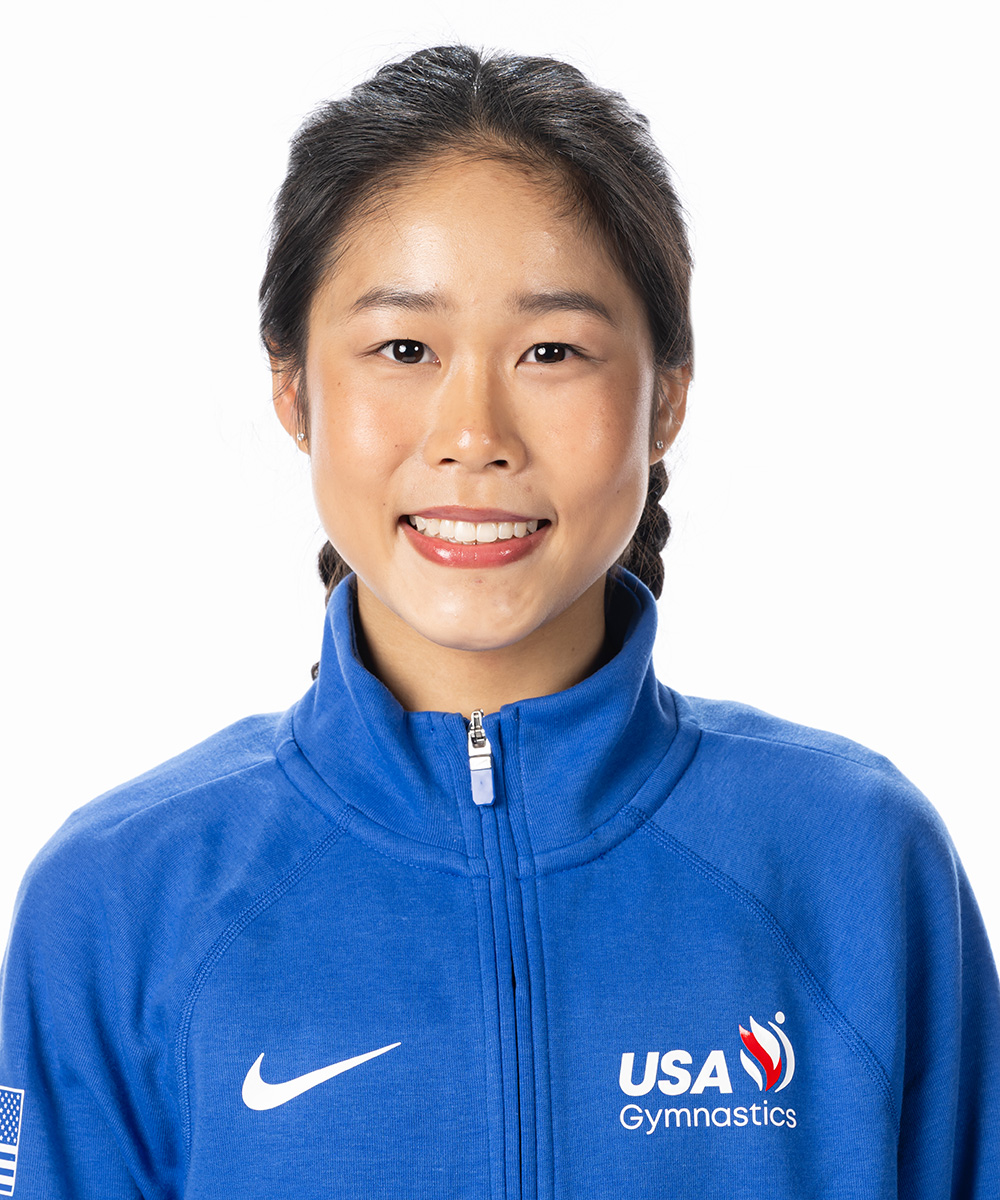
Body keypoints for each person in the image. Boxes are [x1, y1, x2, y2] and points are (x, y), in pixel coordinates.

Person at [0, 42, 997, 1199]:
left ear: (665, 398)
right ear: (293, 389)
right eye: (404, 348)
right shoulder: (121, 901)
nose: (473, 433)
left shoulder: (856, 863)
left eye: (551, 351)